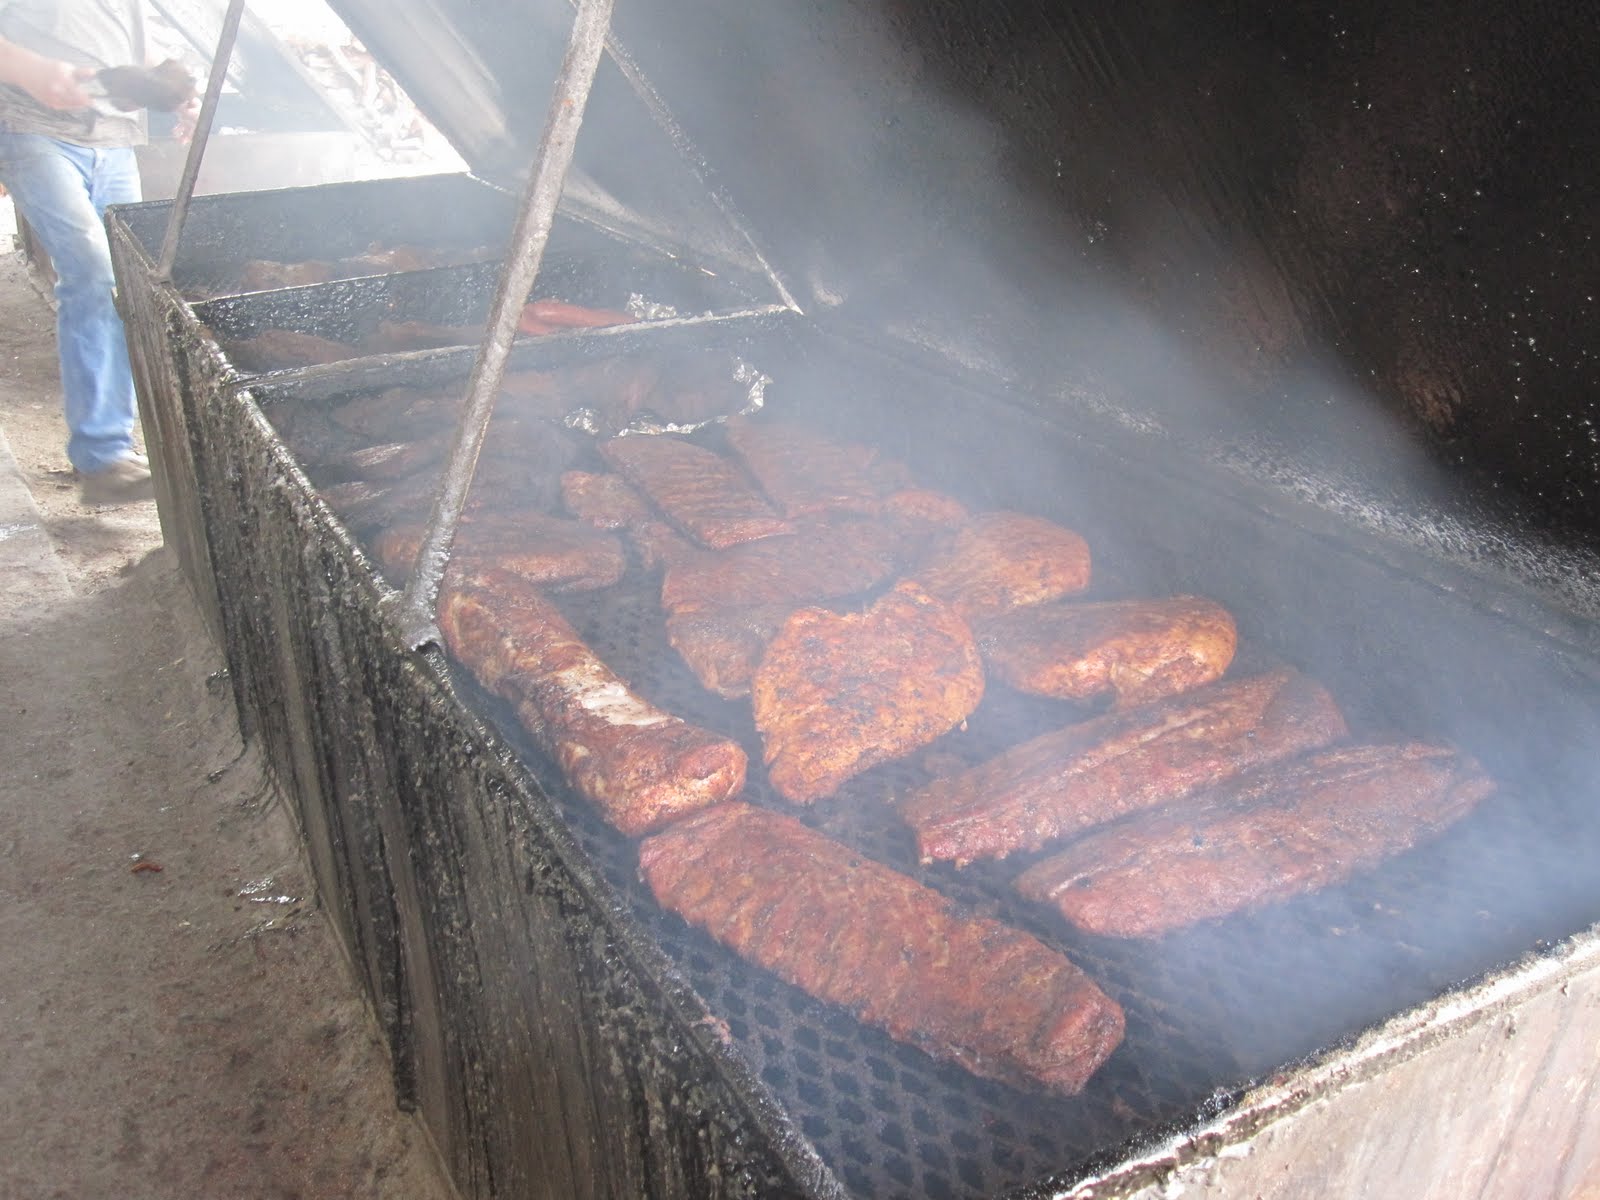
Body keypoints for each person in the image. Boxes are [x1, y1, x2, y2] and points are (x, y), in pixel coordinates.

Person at [0, 0, 154, 506]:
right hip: (29, 125)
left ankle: (125, 446)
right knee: (94, 271)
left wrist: (161, 90)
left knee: (129, 277)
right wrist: (31, 69)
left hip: (113, 137)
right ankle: (103, 454)